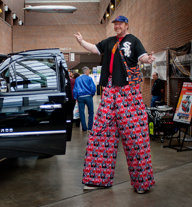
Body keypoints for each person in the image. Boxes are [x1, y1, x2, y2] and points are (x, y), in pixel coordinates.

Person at [74, 15, 156, 193]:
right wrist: (81, 42)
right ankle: (97, 180)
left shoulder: (133, 40)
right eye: (115, 24)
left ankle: (142, 182)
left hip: (129, 92)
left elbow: (142, 57)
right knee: (100, 133)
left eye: (120, 24)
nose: (117, 26)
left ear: (126, 25)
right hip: (110, 90)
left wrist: (148, 60)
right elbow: (95, 48)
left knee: (135, 136)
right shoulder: (109, 41)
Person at [73, 66, 96, 133]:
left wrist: (76, 97)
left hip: (80, 97)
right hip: (88, 96)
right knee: (91, 112)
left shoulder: (77, 79)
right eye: (88, 71)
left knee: (81, 113)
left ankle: (84, 128)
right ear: (86, 71)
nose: (89, 72)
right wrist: (92, 94)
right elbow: (93, 88)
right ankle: (90, 127)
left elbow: (75, 89)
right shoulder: (89, 78)